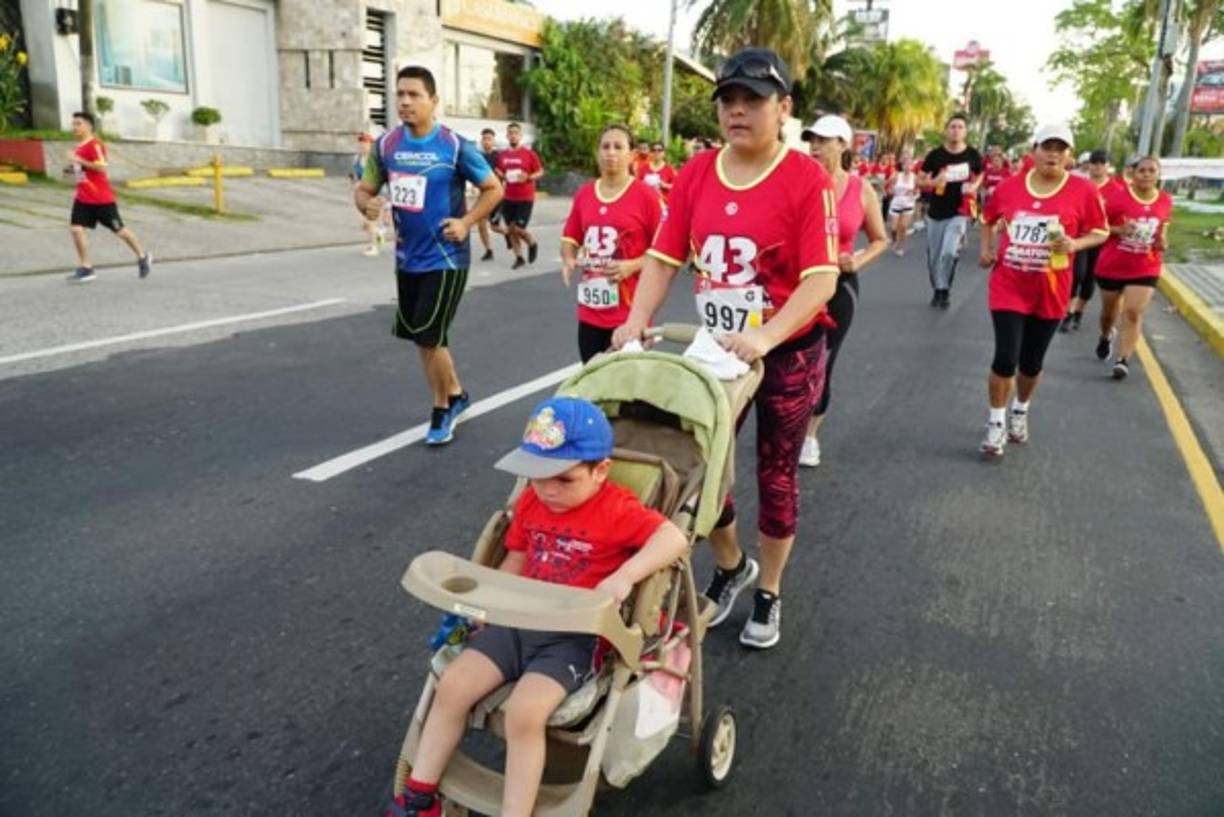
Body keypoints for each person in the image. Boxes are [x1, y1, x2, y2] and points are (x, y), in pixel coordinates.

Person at [611, 47, 839, 649]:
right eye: (728, 101)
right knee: (700, 465)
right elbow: (664, 256)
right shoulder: (696, 172)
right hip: (715, 349)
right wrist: (637, 319)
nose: (737, 112)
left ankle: (771, 593)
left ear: (783, 108)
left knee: (776, 472)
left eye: (753, 101)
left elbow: (823, 277)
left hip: (787, 349)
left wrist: (765, 334)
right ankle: (734, 565)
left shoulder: (805, 178)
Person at [389, 397, 687, 817]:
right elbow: (515, 558)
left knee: (524, 714)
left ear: (600, 471)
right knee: (452, 685)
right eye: (537, 477)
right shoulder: (532, 502)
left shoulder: (616, 509)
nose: (548, 490)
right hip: (515, 623)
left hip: (573, 637)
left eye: (563, 479)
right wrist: (487, 605)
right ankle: (420, 796)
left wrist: (626, 575)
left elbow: (672, 539)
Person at [354, 66, 503, 446]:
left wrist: (467, 222)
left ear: (433, 101)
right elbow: (365, 190)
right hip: (407, 258)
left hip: (447, 257)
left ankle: (442, 408)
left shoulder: (454, 146)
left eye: (414, 95)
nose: (404, 101)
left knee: (426, 336)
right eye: (400, 94)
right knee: (427, 335)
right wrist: (367, 205)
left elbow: (492, 188)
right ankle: (456, 393)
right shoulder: (386, 146)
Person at [976, 124, 1108, 457]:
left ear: (1070, 156)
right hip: (1009, 284)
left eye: (1060, 148)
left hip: (1051, 289)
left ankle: (1020, 409)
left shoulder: (1083, 191)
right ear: (1034, 150)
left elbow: (1101, 231)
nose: (1052, 154)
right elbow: (988, 218)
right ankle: (995, 424)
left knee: (1031, 363)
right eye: (1046, 146)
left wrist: (1074, 242)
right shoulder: (1008, 188)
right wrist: (987, 249)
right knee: (1005, 357)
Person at [798, 115, 889, 468]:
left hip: (839, 286)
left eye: (825, 140)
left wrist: (859, 260)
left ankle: (809, 434)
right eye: (812, 140)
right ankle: (784, 425)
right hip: (796, 285)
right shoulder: (797, 183)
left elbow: (881, 239)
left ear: (844, 145)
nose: (816, 147)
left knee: (823, 362)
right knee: (790, 360)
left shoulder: (860, 189)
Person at [561, 125, 663, 363]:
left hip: (629, 314)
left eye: (619, 147)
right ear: (597, 152)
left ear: (632, 154)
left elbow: (666, 251)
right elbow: (570, 238)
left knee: (628, 390)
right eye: (605, 146)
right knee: (594, 383)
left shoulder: (646, 196)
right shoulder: (585, 194)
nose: (611, 152)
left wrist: (633, 265)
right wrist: (568, 257)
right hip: (590, 311)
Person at [1092, 156, 1173, 380]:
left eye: (1151, 171)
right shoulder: (1118, 198)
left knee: (1133, 312)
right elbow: (1097, 226)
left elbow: (1162, 228)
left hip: (1146, 265)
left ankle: (1123, 360)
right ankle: (1106, 335)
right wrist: (1119, 230)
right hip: (1112, 265)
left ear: (1158, 175)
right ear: (1133, 174)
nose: (1146, 174)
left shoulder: (1165, 200)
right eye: (1142, 170)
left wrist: (1162, 241)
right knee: (1109, 314)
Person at [64, 112, 152, 283]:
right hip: (83, 198)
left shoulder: (95, 144)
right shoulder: (79, 147)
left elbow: (102, 168)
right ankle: (86, 267)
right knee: (76, 229)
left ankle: (142, 256)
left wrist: (78, 160)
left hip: (102, 200)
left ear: (89, 126)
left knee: (120, 230)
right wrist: (72, 170)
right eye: (73, 124)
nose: (74, 127)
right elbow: (82, 173)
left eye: (78, 124)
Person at [917, 113, 983, 308]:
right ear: (947, 130)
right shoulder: (936, 155)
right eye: (952, 126)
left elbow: (980, 174)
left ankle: (943, 290)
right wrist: (933, 181)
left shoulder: (972, 154)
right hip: (936, 212)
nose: (956, 130)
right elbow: (919, 180)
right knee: (935, 256)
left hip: (959, 212)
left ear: (966, 131)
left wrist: (974, 187)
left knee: (949, 252)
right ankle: (937, 288)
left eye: (960, 127)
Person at [1060, 149, 1117, 333]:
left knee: (1089, 279)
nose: (1097, 167)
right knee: (1077, 274)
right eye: (1094, 163)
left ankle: (1079, 312)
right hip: (1079, 237)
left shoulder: (1116, 189)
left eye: (1102, 163)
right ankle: (1068, 312)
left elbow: (1119, 218)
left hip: (1101, 240)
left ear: (1108, 166)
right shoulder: (1079, 185)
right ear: (1088, 165)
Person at [494, 122, 544, 270]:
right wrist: (499, 174)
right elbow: (500, 172)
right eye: (511, 133)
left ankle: (532, 243)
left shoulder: (529, 154)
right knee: (510, 229)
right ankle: (519, 257)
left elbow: (540, 172)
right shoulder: (502, 156)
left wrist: (528, 177)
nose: (513, 135)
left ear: (520, 136)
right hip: (508, 197)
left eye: (516, 133)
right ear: (507, 135)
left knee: (517, 228)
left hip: (525, 198)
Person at [351, 133, 388, 257]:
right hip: (363, 195)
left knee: (371, 222)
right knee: (365, 225)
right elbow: (355, 176)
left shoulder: (375, 159)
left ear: (370, 145)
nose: (362, 145)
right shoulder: (357, 159)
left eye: (365, 143)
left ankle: (374, 246)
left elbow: (381, 179)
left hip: (378, 194)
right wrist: (355, 186)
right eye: (361, 143)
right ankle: (380, 234)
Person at [475, 127, 502, 261]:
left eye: (489, 139)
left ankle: (510, 235)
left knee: (495, 227)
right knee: (481, 223)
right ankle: (488, 250)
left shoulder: (499, 156)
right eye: (484, 139)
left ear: (493, 141)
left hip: (497, 194)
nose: (486, 141)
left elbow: (505, 173)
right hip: (483, 194)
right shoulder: (479, 156)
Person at [886, 148, 919, 255]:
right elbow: (887, 186)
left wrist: (913, 194)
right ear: (902, 165)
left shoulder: (915, 177)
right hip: (896, 203)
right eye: (905, 164)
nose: (908, 166)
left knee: (904, 226)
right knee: (893, 228)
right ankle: (894, 238)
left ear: (912, 165)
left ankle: (900, 247)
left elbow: (918, 192)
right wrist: (890, 191)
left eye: (910, 164)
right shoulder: (896, 175)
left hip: (908, 204)